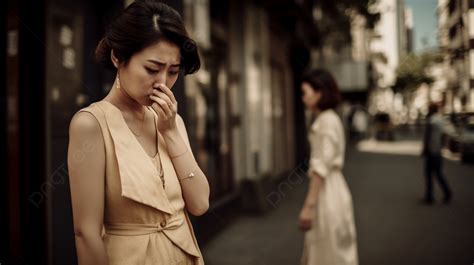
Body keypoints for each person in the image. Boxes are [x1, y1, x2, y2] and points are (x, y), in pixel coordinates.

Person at [67, 1, 209, 264]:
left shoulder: (171, 120)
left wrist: (171, 133)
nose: (162, 83)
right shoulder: (91, 125)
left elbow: (200, 203)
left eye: (173, 72)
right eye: (152, 69)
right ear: (118, 58)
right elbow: (86, 233)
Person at [298, 69, 358, 265]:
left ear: (319, 93)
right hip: (335, 188)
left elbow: (321, 167)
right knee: (331, 251)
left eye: (305, 93)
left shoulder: (326, 121)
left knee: (326, 253)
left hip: (328, 193)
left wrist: (309, 206)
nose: (302, 98)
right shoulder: (330, 118)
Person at [421, 103, 452, 204]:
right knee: (438, 173)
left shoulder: (431, 121)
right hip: (437, 150)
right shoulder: (440, 119)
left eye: (428, 109)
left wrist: (425, 149)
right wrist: (442, 146)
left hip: (431, 151)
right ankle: (445, 192)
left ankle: (431, 195)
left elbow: (427, 136)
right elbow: (446, 134)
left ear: (431, 110)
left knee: (429, 174)